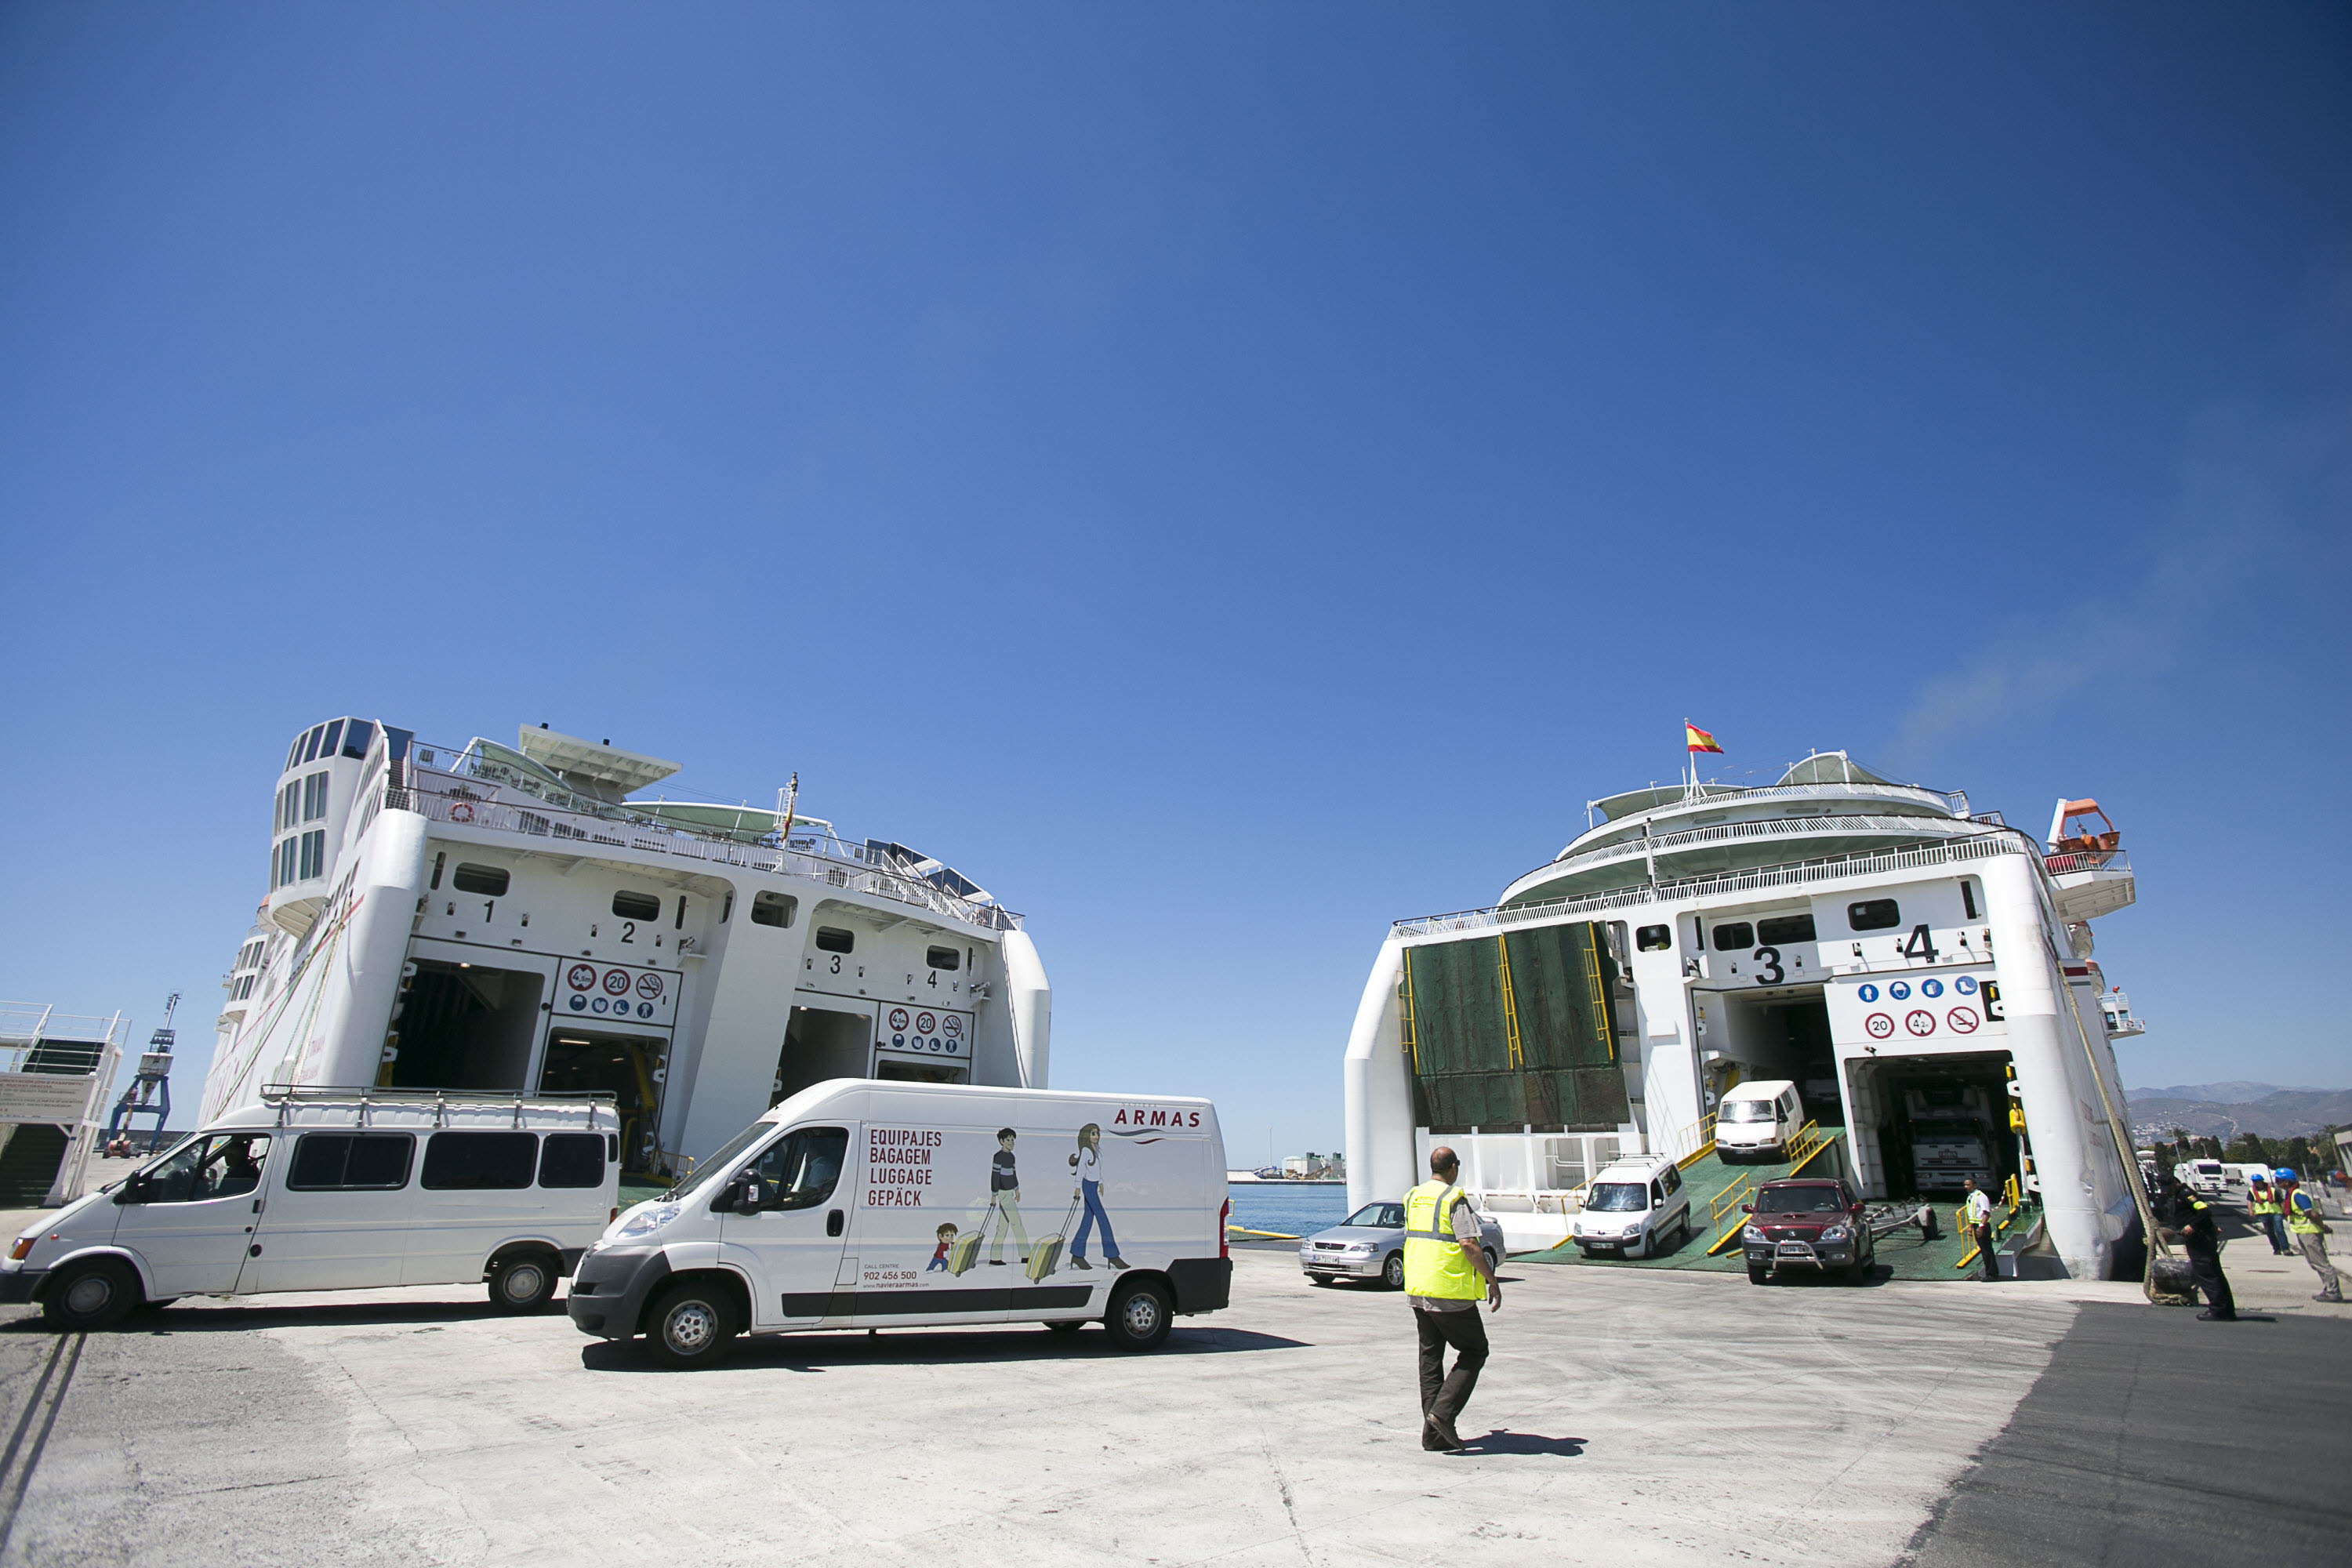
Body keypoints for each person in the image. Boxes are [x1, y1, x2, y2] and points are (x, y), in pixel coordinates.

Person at [1404, 1146, 1501, 1454]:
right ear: (1454, 1168)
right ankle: (1443, 1414)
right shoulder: (1452, 1199)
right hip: (1449, 1291)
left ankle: (1433, 1436)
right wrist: (1492, 1280)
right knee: (1475, 1351)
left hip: (1418, 1290)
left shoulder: (1413, 1197)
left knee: (1430, 1360)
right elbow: (1469, 1244)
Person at [2156, 1175, 2236, 1320]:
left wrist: (2193, 1226)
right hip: (2199, 1237)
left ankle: (2218, 1310)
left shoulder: (2187, 1194)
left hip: (2200, 1239)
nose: (2168, 1191)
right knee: (2214, 1274)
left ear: (2175, 1182)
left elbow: (2204, 1211)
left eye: (2169, 1187)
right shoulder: (2178, 1195)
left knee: (2207, 1275)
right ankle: (2226, 1310)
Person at [2276, 1168, 2343, 1305]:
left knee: (2321, 1263)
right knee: (2314, 1263)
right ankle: (2327, 1288)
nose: (2277, 1183)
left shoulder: (2298, 1195)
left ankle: (2333, 1291)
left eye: (2279, 1181)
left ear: (2287, 1182)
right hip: (2302, 1231)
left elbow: (2312, 1214)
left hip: (2309, 1231)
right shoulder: (2290, 1194)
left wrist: (2324, 1227)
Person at [1067, 1123, 1126, 1272]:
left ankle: (1077, 1254)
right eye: (1093, 1134)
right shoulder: (1086, 1150)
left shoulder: (1097, 1150)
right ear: (1087, 1136)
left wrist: (1100, 1182)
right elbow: (1081, 1169)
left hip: (1093, 1186)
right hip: (1087, 1186)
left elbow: (1097, 1169)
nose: (1096, 1136)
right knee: (1103, 1219)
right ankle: (1112, 1255)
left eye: (1097, 1133)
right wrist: (1077, 1188)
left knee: (1088, 1220)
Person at [986, 1128, 1029, 1267]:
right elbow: (995, 1177)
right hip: (1003, 1194)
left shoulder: (1011, 1157)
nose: (1011, 1143)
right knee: (1017, 1223)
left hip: (1010, 1192)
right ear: (1001, 1141)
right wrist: (994, 1195)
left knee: (1003, 1227)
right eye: (1008, 1140)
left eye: (1013, 1140)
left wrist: (1017, 1190)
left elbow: (1013, 1174)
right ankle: (1026, 1255)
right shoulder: (998, 1157)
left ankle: (995, 1257)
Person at [1960, 1177, 1996, 1281]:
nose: (1966, 1187)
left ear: (1975, 1185)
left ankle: (1991, 1274)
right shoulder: (1970, 1197)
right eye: (1965, 1185)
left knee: (1987, 1251)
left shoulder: (1981, 1197)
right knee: (1984, 1250)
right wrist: (1971, 1226)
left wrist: (1981, 1227)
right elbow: (1973, 1214)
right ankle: (1990, 1273)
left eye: (1968, 1185)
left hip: (1982, 1226)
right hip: (1976, 1225)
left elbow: (1986, 1213)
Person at [2248, 1174, 2292, 1256]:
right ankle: (2276, 1249)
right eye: (2254, 1181)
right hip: (2262, 1214)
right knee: (2270, 1232)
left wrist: (2285, 1212)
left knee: (2279, 1230)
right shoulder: (2251, 1191)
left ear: (2262, 1181)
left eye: (2257, 1181)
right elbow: (2250, 1201)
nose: (2256, 1183)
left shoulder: (2272, 1190)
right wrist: (2251, 1211)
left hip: (2275, 1212)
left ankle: (2286, 1249)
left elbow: (2281, 1201)